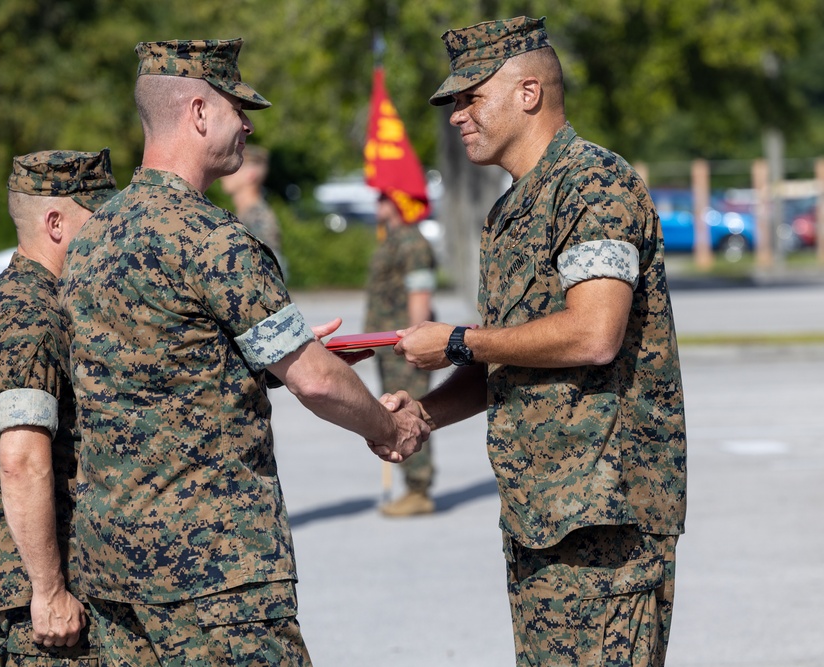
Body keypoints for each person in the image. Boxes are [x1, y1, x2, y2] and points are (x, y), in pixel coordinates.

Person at [58, 38, 428, 666]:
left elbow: (162, 370)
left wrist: (278, 362)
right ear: (199, 112)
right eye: (237, 108)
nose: (248, 124)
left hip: (111, 565)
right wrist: (387, 425)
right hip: (212, 571)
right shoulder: (215, 242)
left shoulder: (91, 240)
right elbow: (315, 380)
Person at [388, 17, 687, 665]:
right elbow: (505, 350)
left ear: (529, 93)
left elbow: (594, 332)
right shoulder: (512, 210)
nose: (457, 116)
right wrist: (423, 415)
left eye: (472, 97)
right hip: (539, 514)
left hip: (605, 519)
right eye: (454, 103)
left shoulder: (593, 184)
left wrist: (459, 339)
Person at [0, 149, 118, 666]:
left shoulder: (35, 300)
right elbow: (20, 459)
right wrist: (48, 592)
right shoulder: (30, 316)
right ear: (55, 223)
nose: (111, 232)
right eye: (99, 219)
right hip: (46, 603)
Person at [364, 190, 439, 517]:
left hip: (404, 346)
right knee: (395, 411)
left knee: (412, 412)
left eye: (383, 198)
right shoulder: (392, 239)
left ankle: (418, 488)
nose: (377, 204)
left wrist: (416, 341)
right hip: (389, 346)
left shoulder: (410, 242)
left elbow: (419, 294)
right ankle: (411, 484)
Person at [219, 143, 286, 274]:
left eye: (233, 167)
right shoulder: (246, 214)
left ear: (251, 174)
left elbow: (270, 272)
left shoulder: (258, 217)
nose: (225, 173)